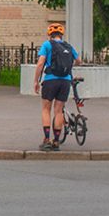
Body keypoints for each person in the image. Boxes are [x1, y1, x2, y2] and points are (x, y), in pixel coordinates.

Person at [32, 22, 77, 150]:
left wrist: (36, 81)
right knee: (59, 111)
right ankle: (56, 142)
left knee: (46, 109)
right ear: (61, 35)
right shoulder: (68, 46)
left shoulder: (47, 45)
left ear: (49, 34)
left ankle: (46, 140)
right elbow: (78, 60)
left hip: (50, 81)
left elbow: (40, 64)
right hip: (65, 81)